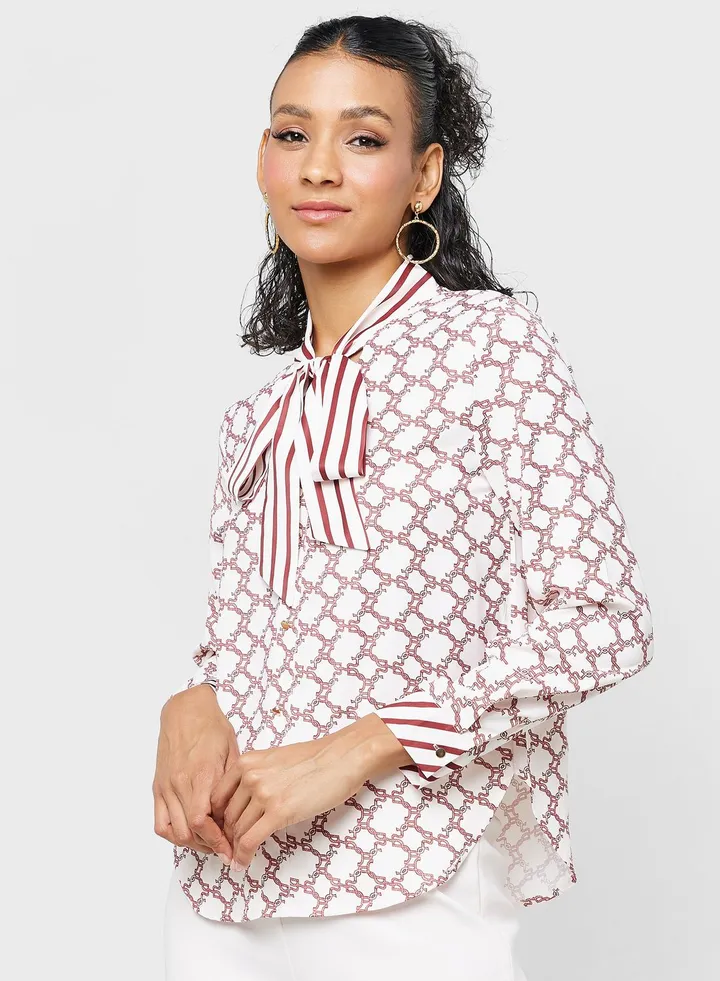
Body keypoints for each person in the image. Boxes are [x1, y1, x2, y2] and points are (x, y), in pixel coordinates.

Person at [154, 14, 654, 981]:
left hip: (407, 878)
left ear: (424, 176)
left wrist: (359, 747)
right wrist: (194, 700)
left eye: (364, 138)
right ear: (262, 160)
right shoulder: (258, 414)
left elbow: (603, 621)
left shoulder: (491, 350)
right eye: (293, 133)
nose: (319, 167)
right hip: (222, 887)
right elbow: (247, 634)